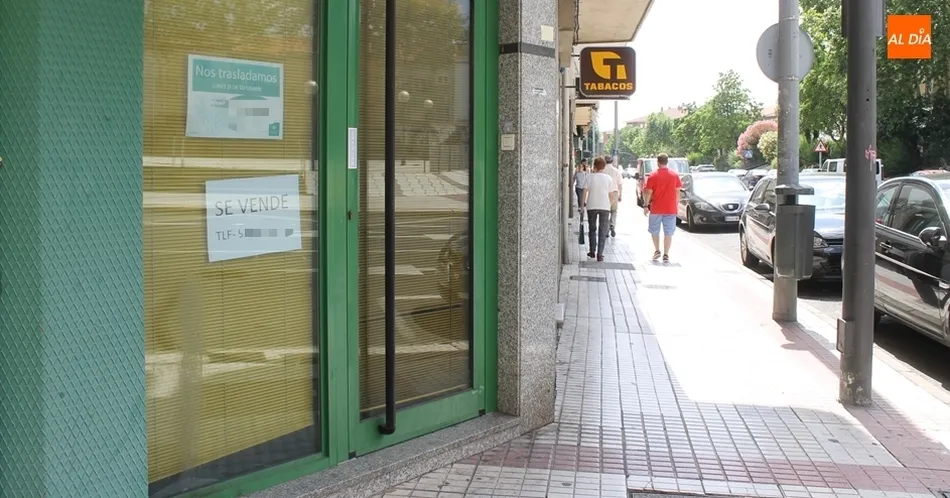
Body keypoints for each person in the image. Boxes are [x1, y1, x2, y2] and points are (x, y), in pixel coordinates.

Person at [642, 153, 682, 263]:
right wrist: (676, 205)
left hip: (656, 208)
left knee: (655, 230)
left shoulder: (652, 175)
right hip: (670, 208)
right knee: (668, 232)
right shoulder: (674, 175)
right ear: (667, 162)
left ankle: (657, 250)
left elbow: (649, 192)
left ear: (658, 162)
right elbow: (677, 192)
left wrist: (646, 205)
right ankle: (666, 254)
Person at [581, 156, 619, 262]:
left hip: (591, 206)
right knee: (602, 230)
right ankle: (600, 254)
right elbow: (612, 195)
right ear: (604, 166)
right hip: (605, 207)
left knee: (592, 229)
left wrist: (582, 206)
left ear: (594, 166)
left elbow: (584, 192)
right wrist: (608, 204)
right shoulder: (609, 179)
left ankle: (592, 251)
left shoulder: (589, 177)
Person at [603, 155, 624, 237]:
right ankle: (612, 225)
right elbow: (620, 184)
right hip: (614, 192)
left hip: (605, 193)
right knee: (614, 211)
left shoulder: (603, 170)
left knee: (606, 211)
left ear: (605, 161)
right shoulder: (616, 171)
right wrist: (620, 195)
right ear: (612, 161)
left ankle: (606, 229)